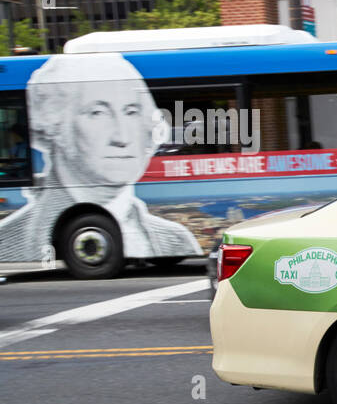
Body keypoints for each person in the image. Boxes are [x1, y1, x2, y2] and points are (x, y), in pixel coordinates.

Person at [0, 53, 201, 265]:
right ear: (55, 126)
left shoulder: (176, 238)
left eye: (131, 112)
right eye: (97, 113)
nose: (122, 138)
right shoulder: (9, 240)